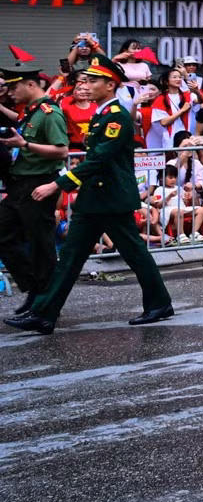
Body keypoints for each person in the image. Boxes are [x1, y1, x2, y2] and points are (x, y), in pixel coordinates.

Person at [7, 57, 174, 333]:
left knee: (134, 253)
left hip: (111, 199)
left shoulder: (117, 116)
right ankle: (44, 314)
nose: (86, 84)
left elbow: (99, 159)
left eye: (93, 80)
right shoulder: (102, 114)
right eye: (85, 79)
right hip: (94, 199)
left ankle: (159, 303)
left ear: (110, 85)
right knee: (70, 257)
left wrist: (57, 185)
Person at [1, 67, 68, 308]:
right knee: (4, 234)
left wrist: (25, 144)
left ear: (31, 85)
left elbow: (62, 150)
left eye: (13, 87)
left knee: (41, 244)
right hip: (20, 185)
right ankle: (34, 287)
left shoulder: (49, 113)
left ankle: (44, 301)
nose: (9, 93)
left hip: (40, 183)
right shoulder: (30, 112)